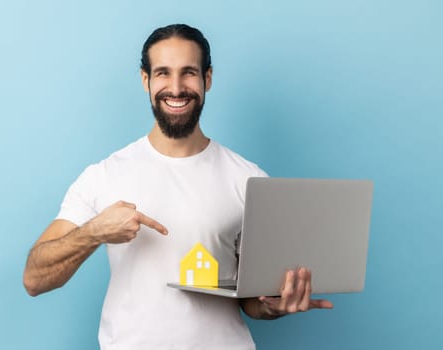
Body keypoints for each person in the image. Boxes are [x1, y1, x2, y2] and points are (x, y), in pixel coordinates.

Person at [23, 23, 333, 349]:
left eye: (188, 73)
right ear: (145, 80)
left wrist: (273, 306)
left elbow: (251, 301)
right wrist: (94, 232)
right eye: (162, 73)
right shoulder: (104, 175)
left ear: (207, 79)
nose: (175, 87)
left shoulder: (249, 180)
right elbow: (34, 278)